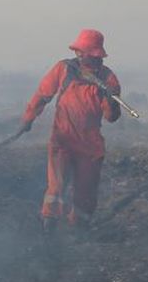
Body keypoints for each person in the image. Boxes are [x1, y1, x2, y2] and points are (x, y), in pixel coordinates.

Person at [21, 29, 122, 231]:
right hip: (62, 141)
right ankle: (49, 227)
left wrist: (111, 101)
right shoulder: (64, 69)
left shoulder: (108, 80)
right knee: (56, 188)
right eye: (81, 52)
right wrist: (28, 118)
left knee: (85, 192)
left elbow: (111, 118)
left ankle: (80, 230)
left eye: (88, 53)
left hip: (90, 146)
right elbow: (43, 94)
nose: (83, 56)